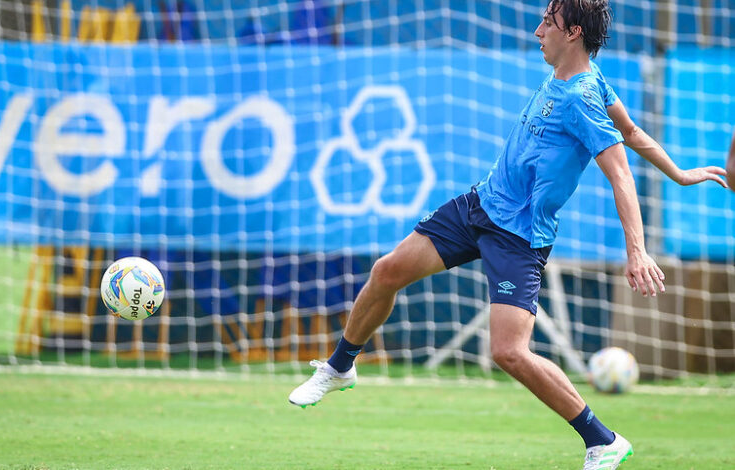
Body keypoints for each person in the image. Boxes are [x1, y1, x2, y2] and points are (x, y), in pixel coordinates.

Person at [289, 1, 727, 469]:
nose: (538, 30)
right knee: (387, 270)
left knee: (508, 352)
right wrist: (679, 173)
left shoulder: (582, 96)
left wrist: (636, 251)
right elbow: (634, 131)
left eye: (548, 22)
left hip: (520, 236)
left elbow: (621, 173)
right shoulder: (579, 76)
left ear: (574, 32)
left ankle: (603, 440)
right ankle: (340, 366)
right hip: (481, 205)